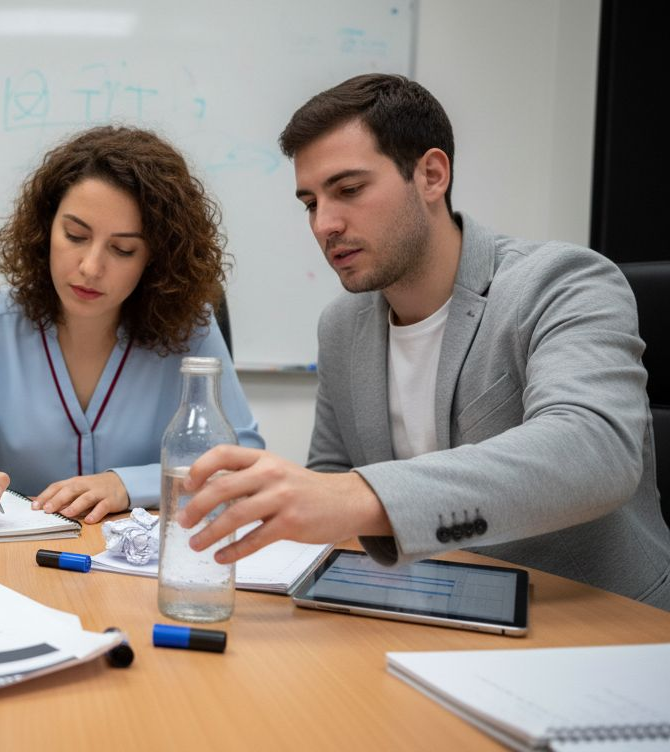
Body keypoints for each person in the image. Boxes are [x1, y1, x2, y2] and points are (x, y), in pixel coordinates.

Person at [178, 73, 670, 609]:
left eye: (348, 190)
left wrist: (359, 496)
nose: (324, 224)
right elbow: (330, 486)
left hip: (591, 621)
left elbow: (594, 451)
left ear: (432, 174)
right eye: (310, 203)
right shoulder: (342, 326)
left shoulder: (564, 282)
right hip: (427, 609)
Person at [0, 126, 263, 526]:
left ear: (155, 259)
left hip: (142, 564)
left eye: (123, 249)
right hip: (20, 559)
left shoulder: (191, 329)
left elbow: (241, 460)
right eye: (75, 235)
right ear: (44, 229)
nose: (90, 267)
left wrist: (127, 484)